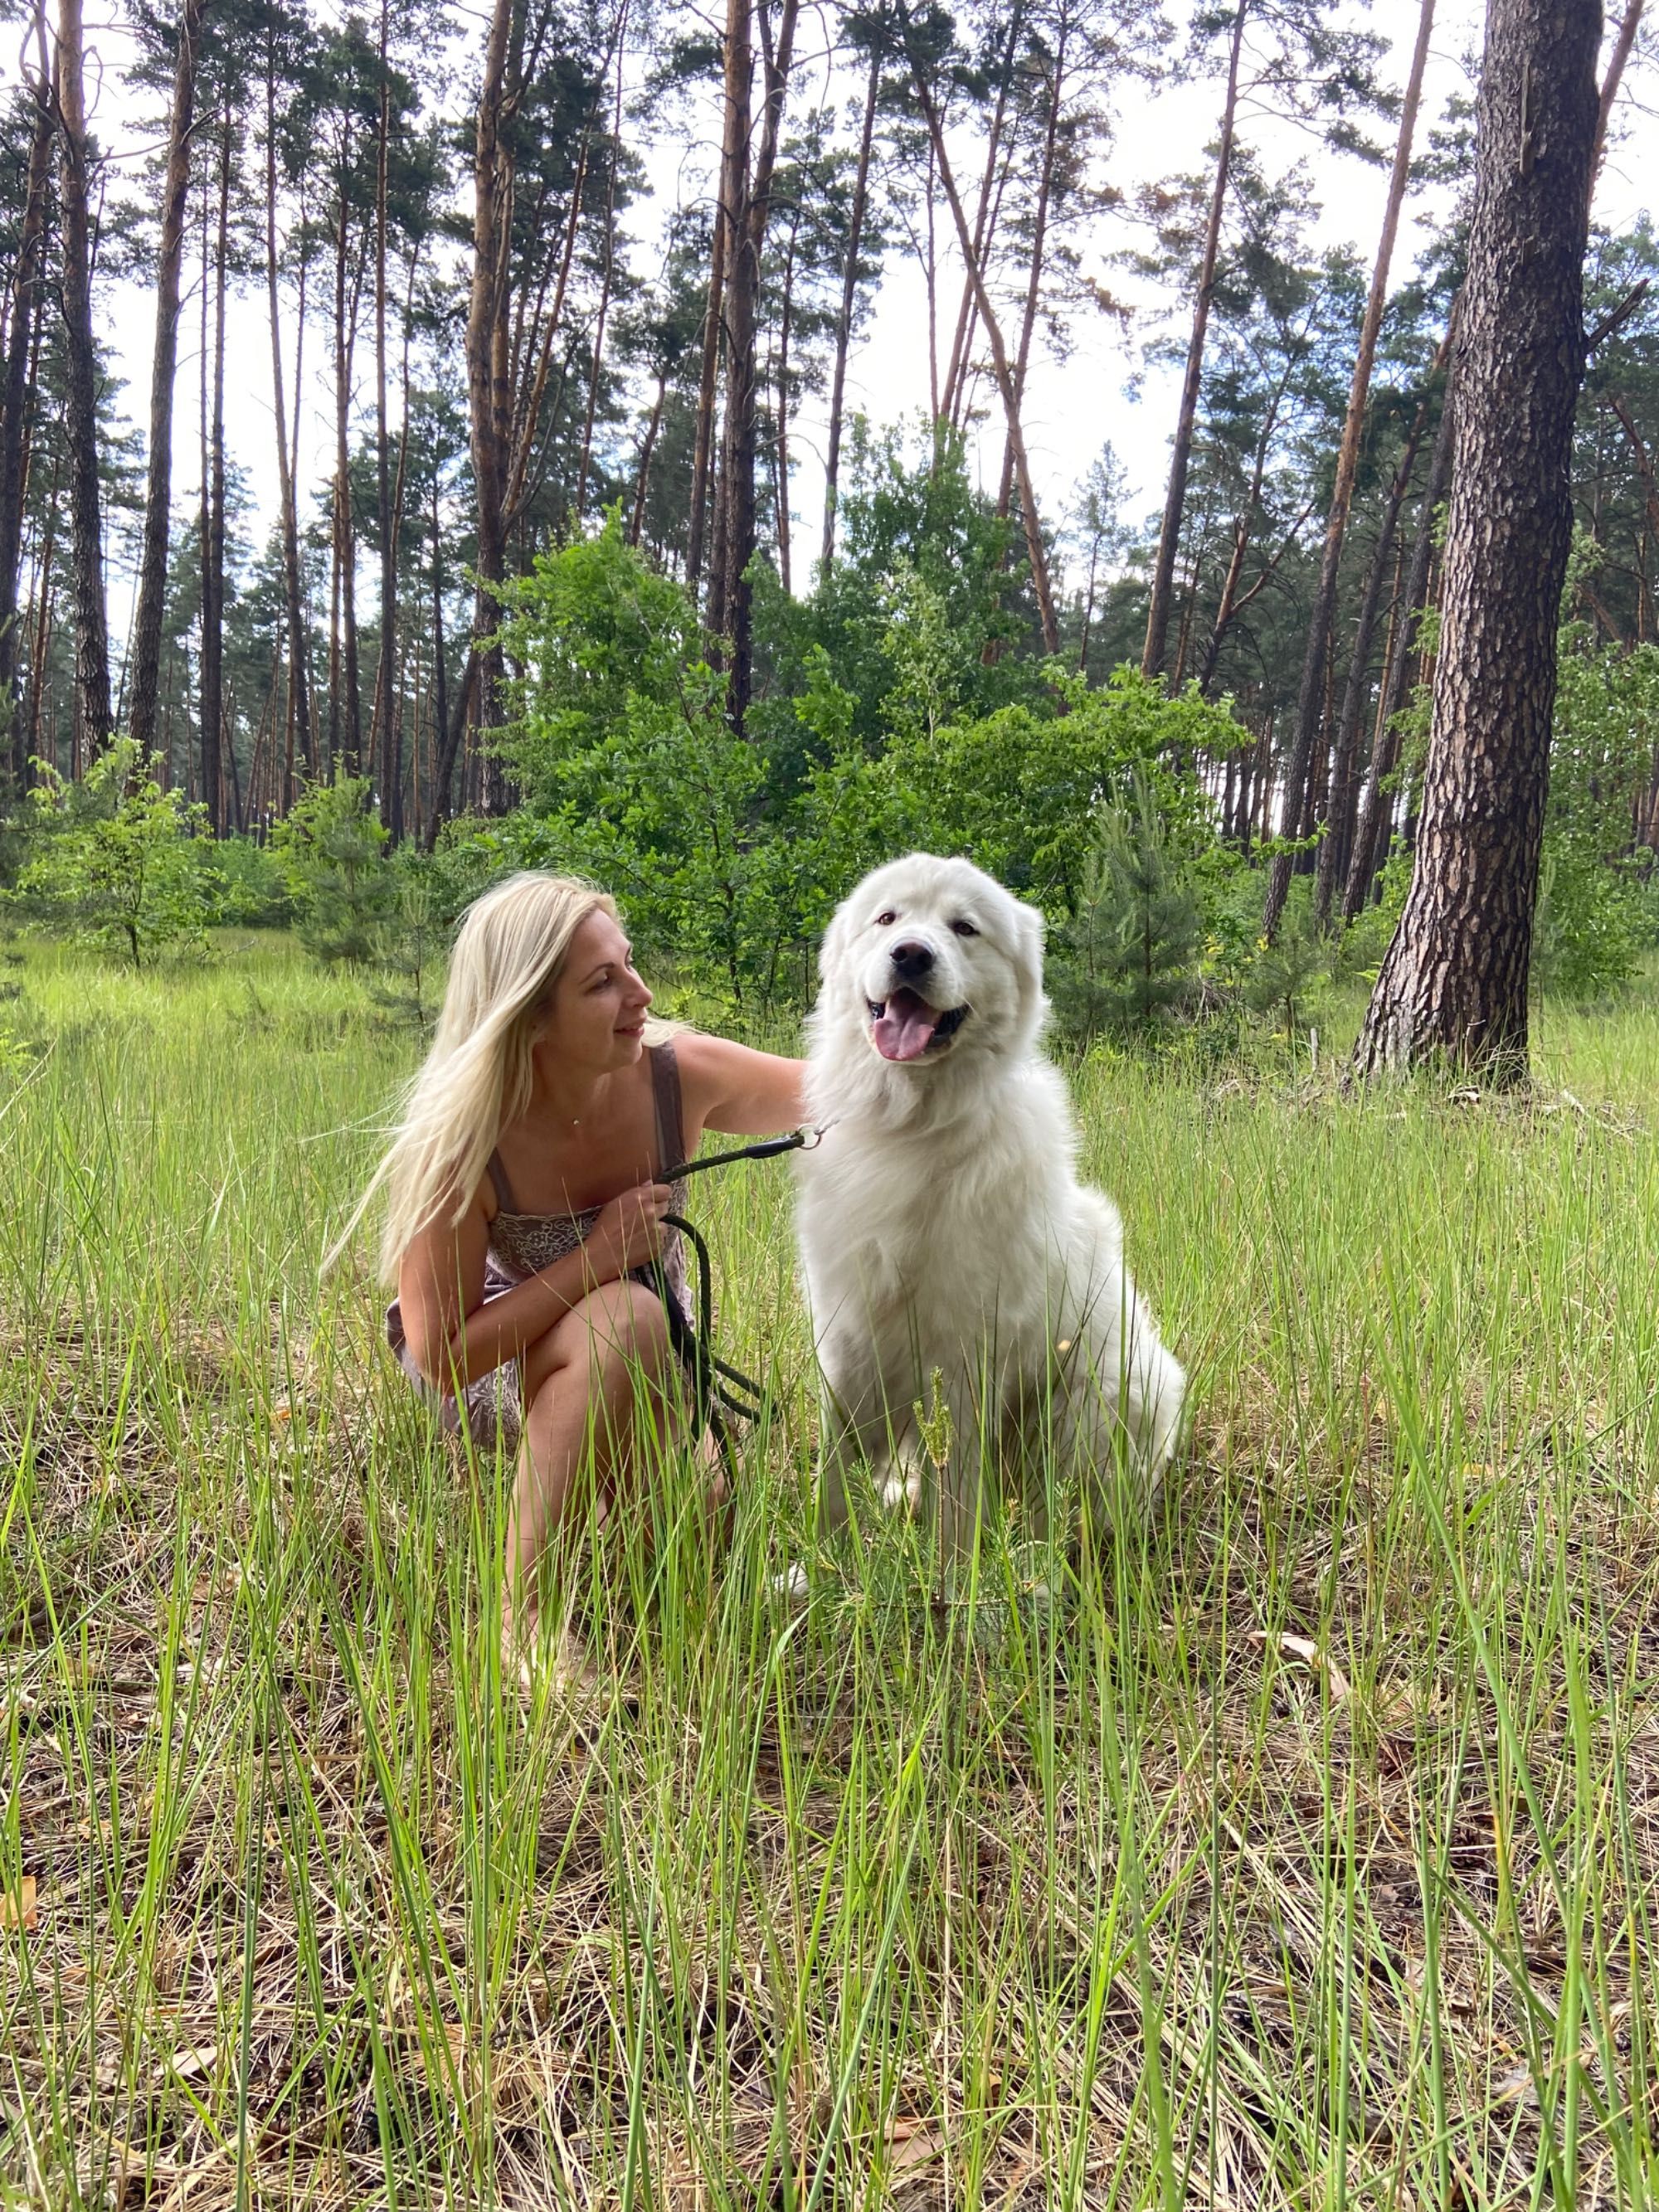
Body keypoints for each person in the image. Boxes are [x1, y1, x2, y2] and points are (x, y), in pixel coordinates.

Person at [353, 872, 805, 1685]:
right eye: (603, 982)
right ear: (529, 1015)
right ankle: (525, 1622)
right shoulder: (458, 1144)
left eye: (628, 965)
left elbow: (840, 1095)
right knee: (623, 1319)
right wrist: (594, 1258)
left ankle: (635, 1581)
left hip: (654, 1345)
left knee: (692, 1542)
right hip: (499, 1357)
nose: (642, 993)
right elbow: (444, 1357)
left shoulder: (676, 1074)